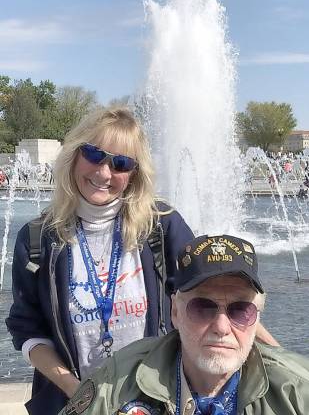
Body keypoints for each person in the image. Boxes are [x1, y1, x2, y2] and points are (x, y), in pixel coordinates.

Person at [5, 107, 194, 415]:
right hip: (72, 403)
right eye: (94, 154)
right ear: (74, 154)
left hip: (153, 402)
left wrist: (277, 358)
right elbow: (27, 329)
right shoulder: (38, 238)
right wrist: (81, 394)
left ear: (134, 173)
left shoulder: (161, 226)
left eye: (121, 163)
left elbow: (215, 292)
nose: (104, 173)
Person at [58, 234, 309, 415]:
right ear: (175, 313)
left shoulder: (297, 390)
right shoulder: (117, 382)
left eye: (240, 310)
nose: (222, 327)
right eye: (203, 308)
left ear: (256, 319)